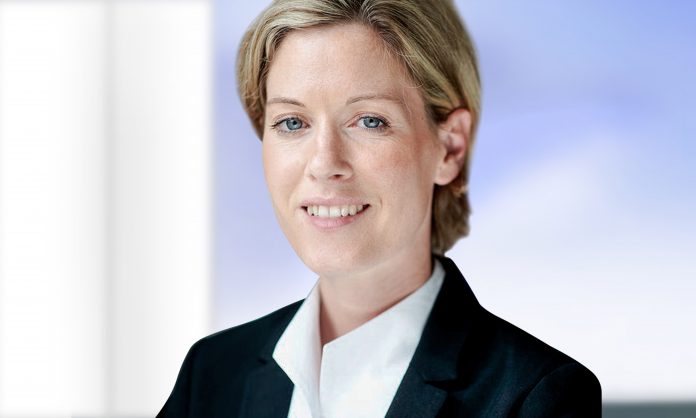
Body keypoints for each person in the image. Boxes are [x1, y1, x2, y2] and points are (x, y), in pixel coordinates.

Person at [157, 0, 601, 416]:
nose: (324, 163)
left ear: (450, 147)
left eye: (370, 121)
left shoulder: (535, 395)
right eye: (292, 122)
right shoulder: (211, 373)